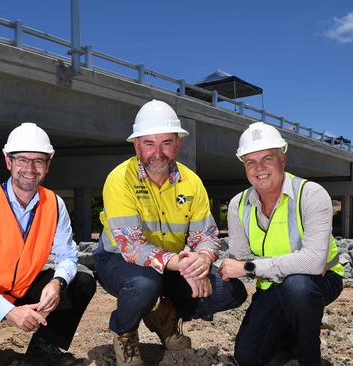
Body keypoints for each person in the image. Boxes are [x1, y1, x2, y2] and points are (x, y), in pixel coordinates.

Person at [93, 99, 248, 366]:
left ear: (178, 143)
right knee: (144, 285)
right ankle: (124, 332)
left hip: (171, 264)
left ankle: (165, 315)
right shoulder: (120, 179)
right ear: (136, 145)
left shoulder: (192, 182)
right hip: (119, 261)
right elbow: (132, 246)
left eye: (166, 142)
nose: (158, 152)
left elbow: (207, 236)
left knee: (231, 291)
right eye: (149, 143)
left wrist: (202, 260)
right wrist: (182, 264)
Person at [0, 122, 97, 366]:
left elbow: (68, 255)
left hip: (24, 287)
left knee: (82, 282)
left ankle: (42, 349)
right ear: (8, 161)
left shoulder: (55, 204)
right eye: (22, 160)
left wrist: (57, 283)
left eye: (38, 160)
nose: (30, 168)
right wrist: (10, 312)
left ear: (48, 163)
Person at [218, 122, 345, 366]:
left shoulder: (310, 194)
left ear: (282, 161)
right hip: (272, 286)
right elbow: (240, 257)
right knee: (248, 358)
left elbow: (314, 262)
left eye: (267, 159)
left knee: (297, 288)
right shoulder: (238, 204)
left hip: (319, 280)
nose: (259, 168)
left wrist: (250, 268)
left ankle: (309, 357)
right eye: (250, 162)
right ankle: (288, 338)